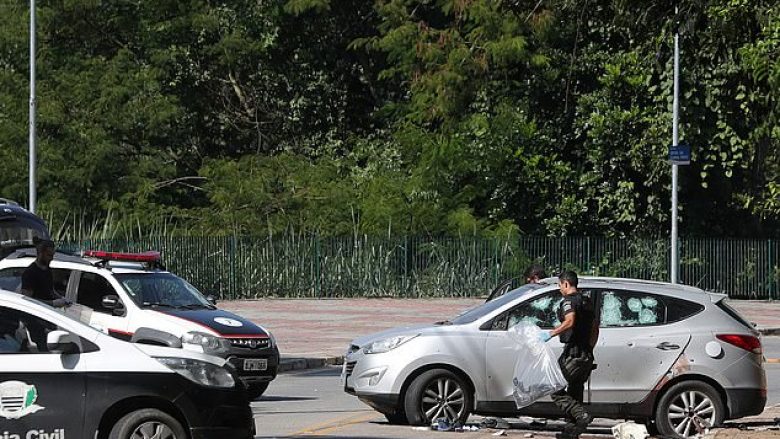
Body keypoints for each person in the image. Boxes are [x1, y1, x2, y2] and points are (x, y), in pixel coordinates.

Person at [539, 270, 598, 439]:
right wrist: (589, 349)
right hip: (585, 355)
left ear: (566, 284)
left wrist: (550, 334)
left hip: (573, 355)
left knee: (554, 388)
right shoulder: (586, 301)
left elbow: (570, 321)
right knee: (574, 393)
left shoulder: (569, 301)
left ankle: (582, 416)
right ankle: (571, 433)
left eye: (559, 285)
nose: (559, 289)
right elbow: (595, 328)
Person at [21, 238, 70, 352]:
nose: (51, 258)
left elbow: (50, 290)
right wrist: (52, 303)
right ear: (40, 253)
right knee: (44, 350)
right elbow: (28, 300)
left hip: (48, 317)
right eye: (49, 255)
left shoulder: (47, 270)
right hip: (36, 320)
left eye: (53, 255)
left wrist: (61, 299)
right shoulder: (30, 273)